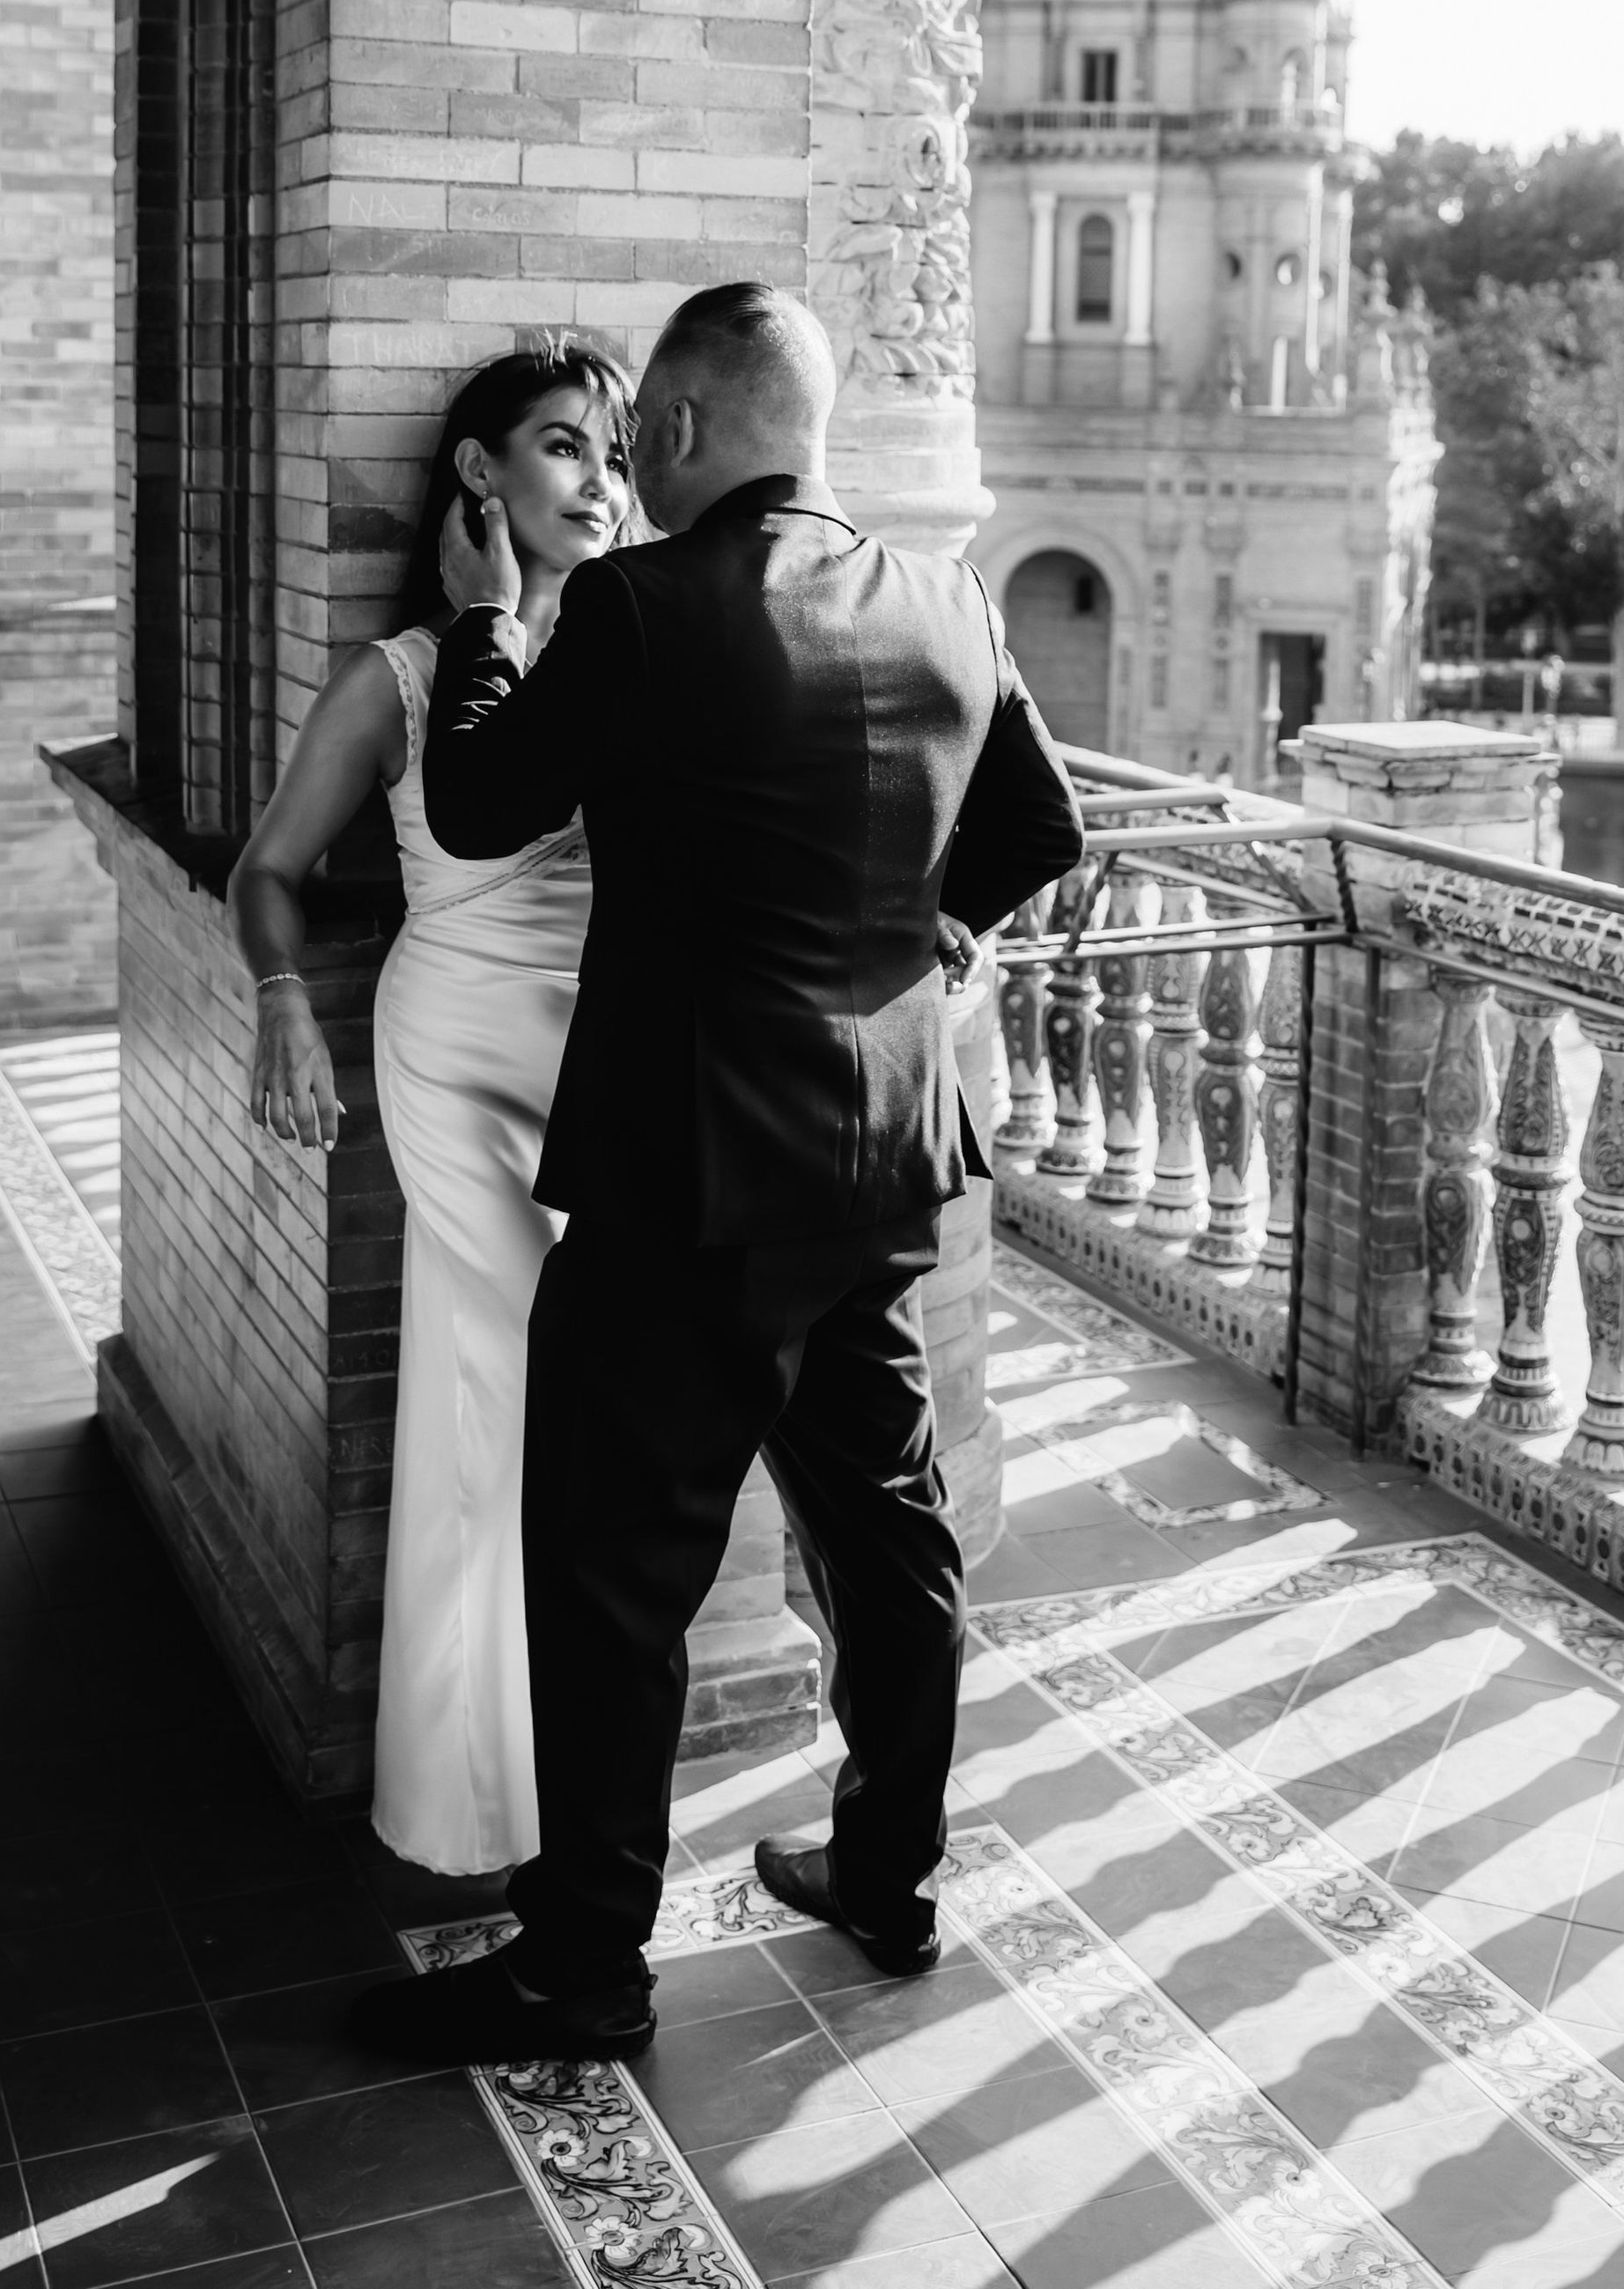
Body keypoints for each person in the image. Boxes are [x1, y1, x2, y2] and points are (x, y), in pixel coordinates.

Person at [348, 283, 1083, 2064]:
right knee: (885, 1531)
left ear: (674, 433)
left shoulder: (630, 606)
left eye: (631, 439)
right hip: (887, 1164)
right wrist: (934, 945)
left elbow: (476, 804)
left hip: (687, 1181)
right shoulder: (946, 601)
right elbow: (1036, 832)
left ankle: (584, 1964)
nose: (622, 465)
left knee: (610, 1566)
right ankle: (888, 1875)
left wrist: (477, 629)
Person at [228, 336, 637, 1877]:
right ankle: (477, 1793)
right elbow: (270, 870)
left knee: (565, 1408)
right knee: (510, 1391)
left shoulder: (632, 648)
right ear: (480, 472)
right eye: (561, 448)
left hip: (607, 1059)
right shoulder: (397, 678)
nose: (600, 483)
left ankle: (560, 1773)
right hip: (457, 1047)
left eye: (613, 454)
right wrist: (279, 1000)